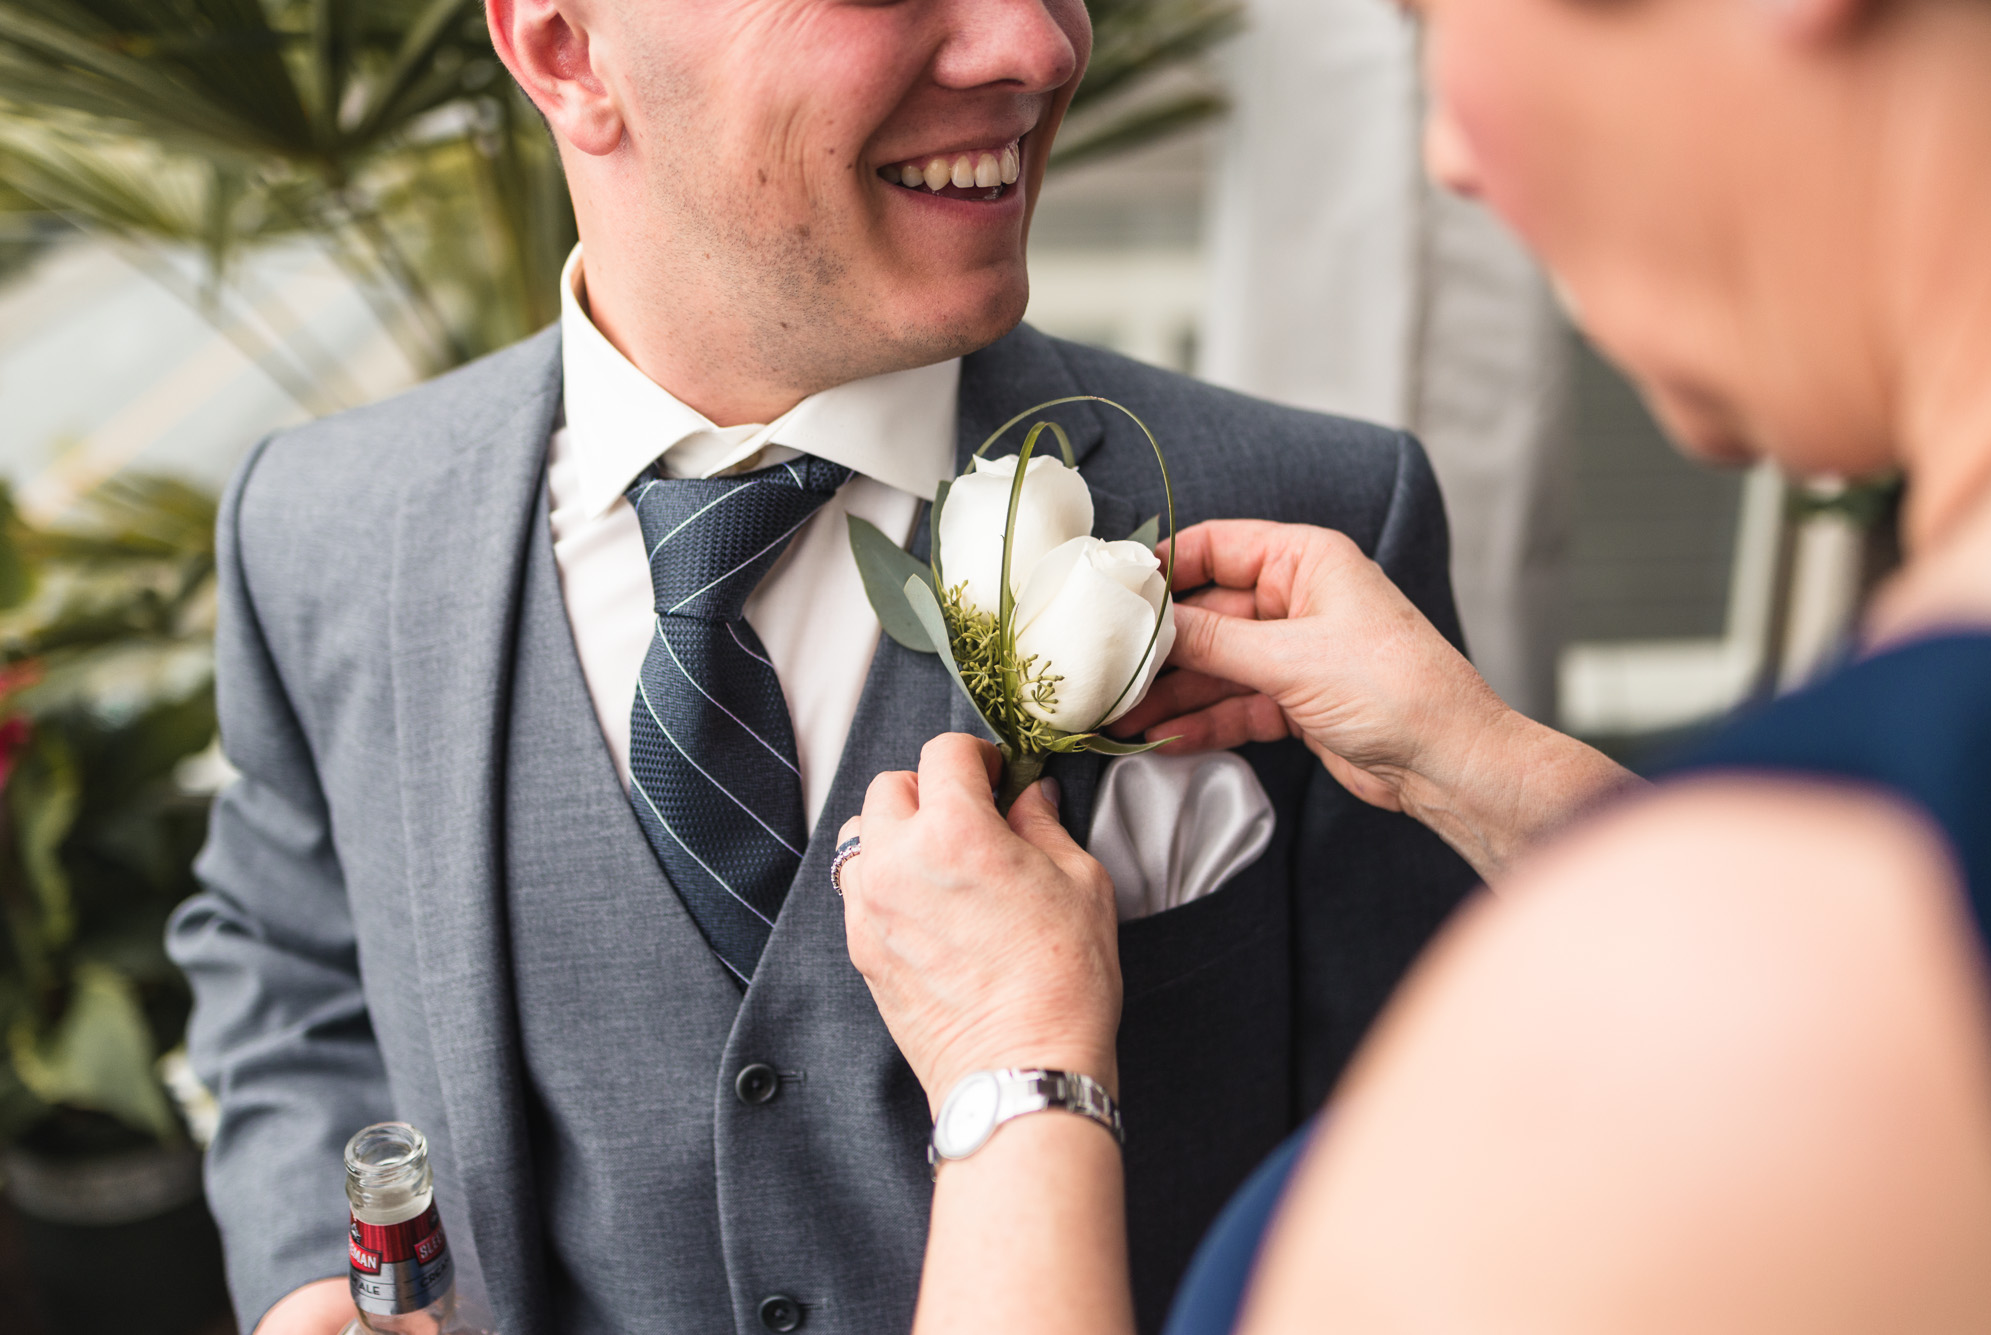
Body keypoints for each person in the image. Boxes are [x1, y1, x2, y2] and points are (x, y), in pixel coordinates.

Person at [164, 0, 1483, 1331]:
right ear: (567, 50)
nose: (1036, 45)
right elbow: (286, 963)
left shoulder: (1315, 518)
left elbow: (1444, 1148)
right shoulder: (319, 527)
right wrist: (310, 1280)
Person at [835, 0, 1991, 1328]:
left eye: (1435, 9)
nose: (1448, 151)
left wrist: (1015, 1073)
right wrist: (1486, 767)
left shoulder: (1783, 994)